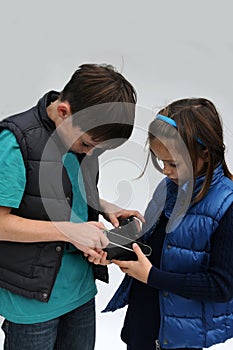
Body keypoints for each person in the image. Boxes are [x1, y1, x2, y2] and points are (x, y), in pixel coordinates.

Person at [0, 63, 144, 350]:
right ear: (64, 112)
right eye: (88, 144)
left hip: (80, 293)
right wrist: (69, 232)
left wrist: (103, 206)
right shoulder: (15, 140)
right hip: (33, 304)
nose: (90, 152)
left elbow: (63, 193)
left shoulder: (80, 136)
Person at [102, 98, 233, 350]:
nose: (165, 171)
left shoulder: (227, 204)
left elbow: (222, 286)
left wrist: (152, 276)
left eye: (173, 163)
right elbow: (158, 244)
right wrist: (116, 246)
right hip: (143, 323)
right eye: (161, 161)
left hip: (178, 337)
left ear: (205, 153)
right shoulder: (167, 188)